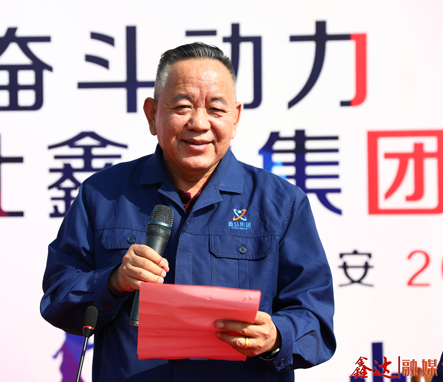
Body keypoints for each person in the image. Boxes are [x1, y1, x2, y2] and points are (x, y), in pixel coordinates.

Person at [41, 42, 336, 381]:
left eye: (216, 109)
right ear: (152, 115)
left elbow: (315, 321)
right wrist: (114, 281)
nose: (198, 123)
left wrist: (276, 336)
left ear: (236, 118)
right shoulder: (103, 194)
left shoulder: (281, 203)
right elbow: (57, 296)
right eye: (182, 107)